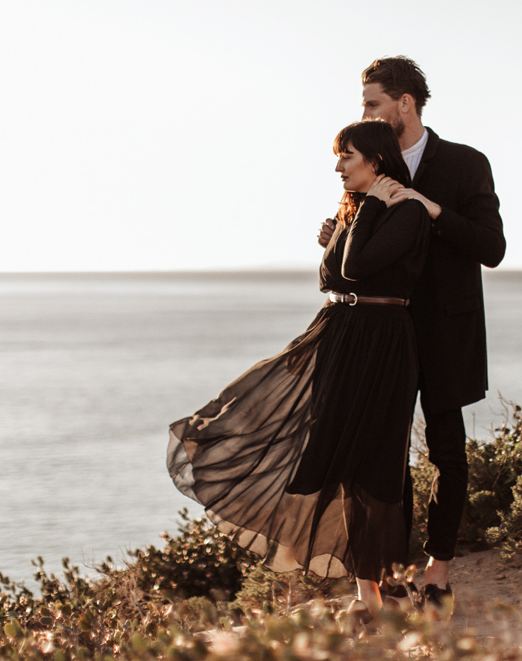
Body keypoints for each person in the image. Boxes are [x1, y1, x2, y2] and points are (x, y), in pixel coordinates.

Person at [168, 120, 430, 617]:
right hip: (342, 337)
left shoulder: (407, 208)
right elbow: (330, 274)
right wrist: (342, 231)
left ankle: (394, 591)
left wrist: (367, 212)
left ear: (375, 160)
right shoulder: (357, 209)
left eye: (346, 156)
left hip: (382, 344)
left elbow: (353, 269)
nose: (337, 167)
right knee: (344, 467)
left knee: (379, 471)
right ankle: (366, 595)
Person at [318, 56, 506, 609]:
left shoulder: (467, 164)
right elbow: (359, 258)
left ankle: (438, 572)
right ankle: (392, 576)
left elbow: (491, 248)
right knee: (382, 458)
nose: (368, 113)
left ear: (405, 103)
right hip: (381, 335)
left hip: (447, 332)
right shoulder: (369, 164)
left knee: (448, 453)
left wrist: (431, 208)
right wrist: (338, 232)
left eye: (374, 103)